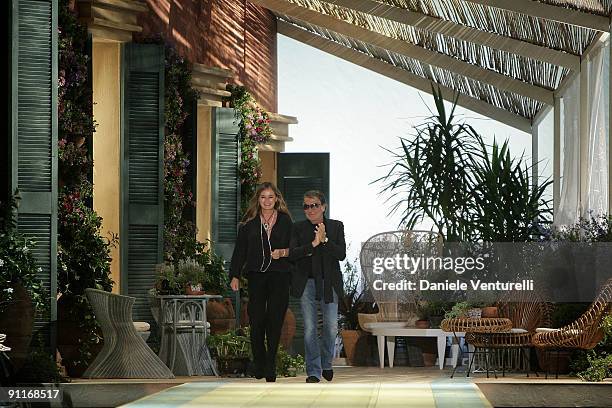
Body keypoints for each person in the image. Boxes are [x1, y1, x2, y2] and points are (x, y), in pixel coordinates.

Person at [229, 182, 293, 382]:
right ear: (258, 199)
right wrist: (235, 275)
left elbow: (294, 249)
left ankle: (270, 364)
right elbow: (239, 252)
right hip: (256, 276)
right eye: (263, 197)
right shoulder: (248, 224)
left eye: (271, 197)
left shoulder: (285, 222)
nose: (267, 201)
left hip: (280, 276)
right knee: (257, 321)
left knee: (275, 321)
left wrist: (282, 253)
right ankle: (259, 362)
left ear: (277, 199)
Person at [290, 190, 346, 383]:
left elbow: (341, 254)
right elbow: (294, 254)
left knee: (331, 328)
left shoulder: (336, 226)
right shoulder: (298, 228)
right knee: (310, 329)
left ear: (323, 206)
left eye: (314, 205)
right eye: (306, 206)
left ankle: (326, 363)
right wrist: (313, 243)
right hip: (307, 283)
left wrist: (325, 240)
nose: (310, 209)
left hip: (329, 283)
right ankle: (313, 371)